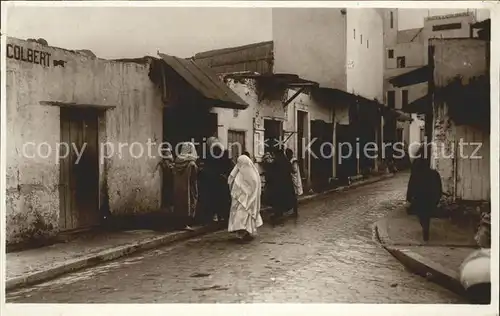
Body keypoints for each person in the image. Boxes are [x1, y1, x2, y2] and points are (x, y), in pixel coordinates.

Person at [406, 143, 442, 241]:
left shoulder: (417, 170)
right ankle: (425, 227)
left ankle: (425, 228)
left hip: (421, 195)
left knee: (422, 214)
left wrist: (409, 198)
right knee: (425, 214)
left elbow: (411, 184)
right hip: (427, 194)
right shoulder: (432, 172)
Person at [227, 154, 263, 241]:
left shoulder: (251, 174)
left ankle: (245, 232)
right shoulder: (242, 173)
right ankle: (241, 232)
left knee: (244, 216)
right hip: (240, 200)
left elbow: (254, 186)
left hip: (247, 200)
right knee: (240, 216)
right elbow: (230, 181)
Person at [172, 142, 199, 231]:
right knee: (188, 203)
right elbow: (194, 177)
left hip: (178, 187)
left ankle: (178, 223)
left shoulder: (177, 160)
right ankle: (185, 223)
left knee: (179, 204)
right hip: (188, 187)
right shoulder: (191, 163)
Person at [266, 147, 296, 221]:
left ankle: (278, 214)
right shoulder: (286, 161)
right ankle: (289, 212)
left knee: (277, 199)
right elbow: (292, 170)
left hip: (277, 184)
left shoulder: (275, 162)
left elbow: (271, 172)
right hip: (287, 184)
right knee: (286, 198)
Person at [153, 147, 175, 212]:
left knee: (169, 191)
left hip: (170, 179)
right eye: (167, 152)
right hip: (166, 179)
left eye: (169, 152)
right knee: (167, 191)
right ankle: (167, 206)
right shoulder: (164, 162)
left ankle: (169, 206)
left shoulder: (169, 161)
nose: (169, 153)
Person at [285, 148, 302, 217]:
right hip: (292, 179)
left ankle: (295, 212)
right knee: (293, 196)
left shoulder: (293, 161)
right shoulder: (290, 160)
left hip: (295, 179)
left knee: (295, 196)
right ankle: (293, 211)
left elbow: (294, 170)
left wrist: (288, 169)